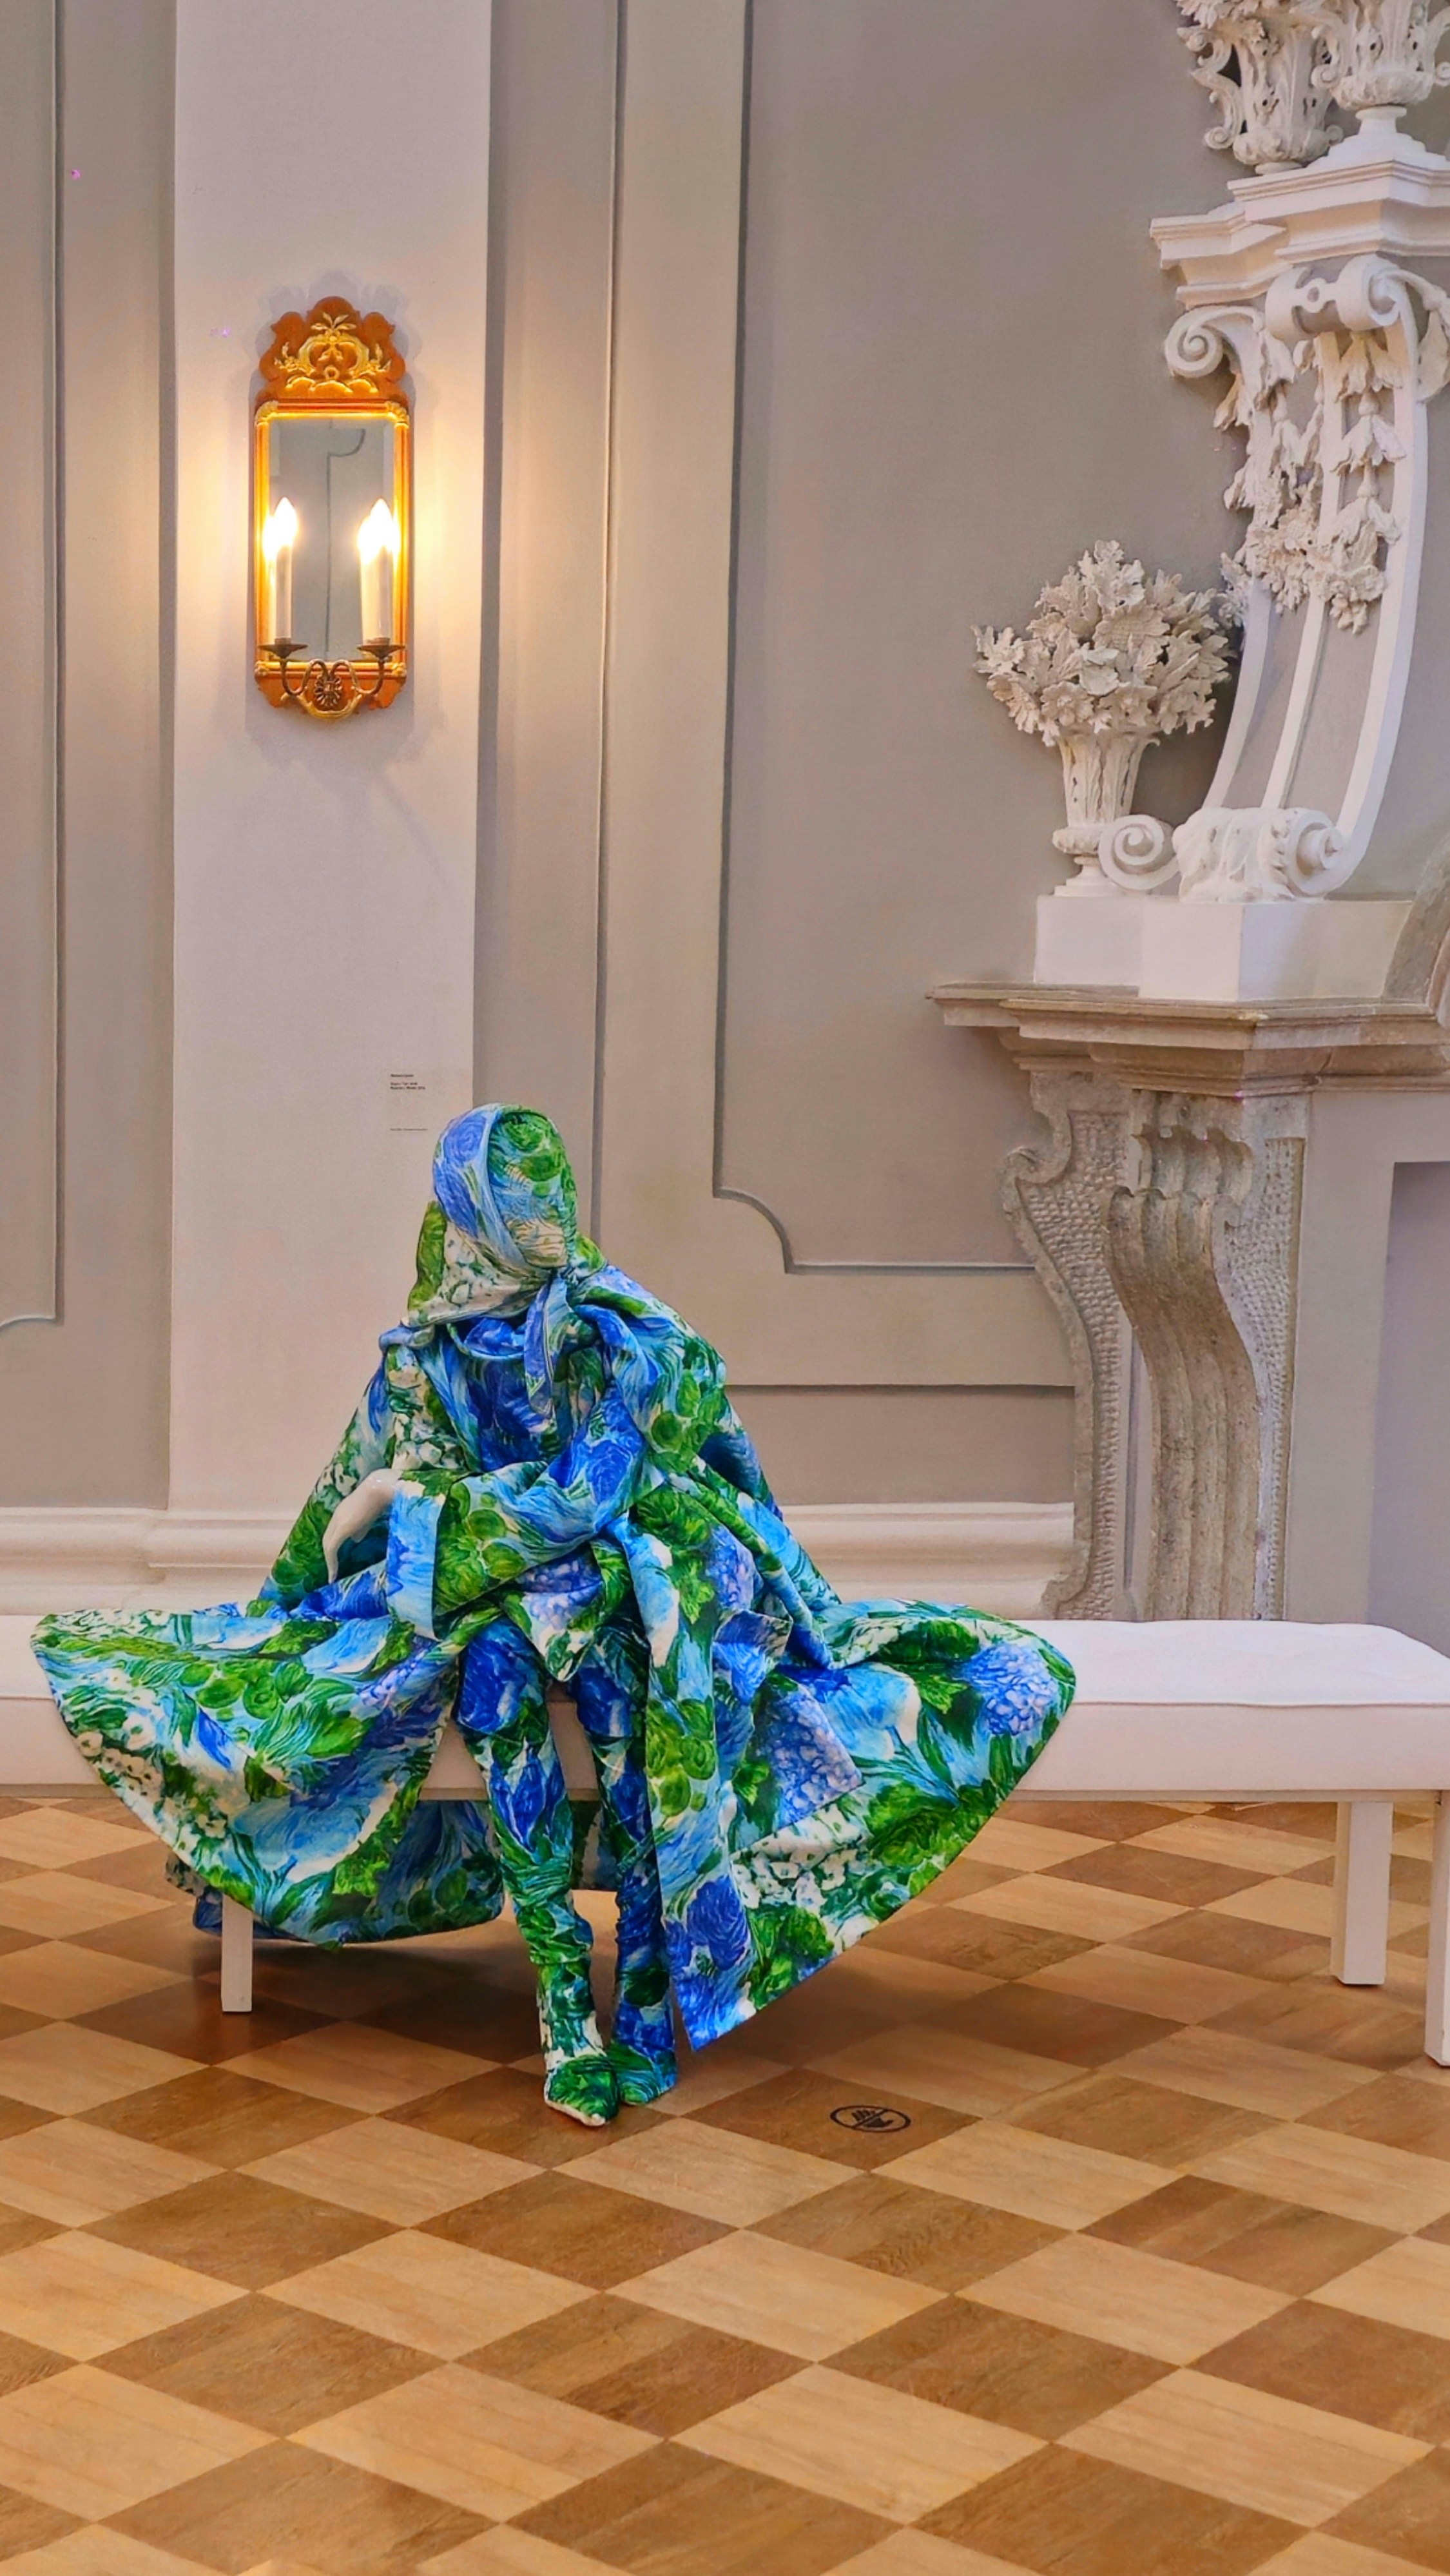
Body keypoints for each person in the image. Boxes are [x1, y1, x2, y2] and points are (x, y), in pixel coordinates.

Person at [33, 1107, 1074, 2126]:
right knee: (495, 1660)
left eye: (540, 1203)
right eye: (515, 1207)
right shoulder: (431, 1342)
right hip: (497, 1577)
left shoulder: (625, 1335)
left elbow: (589, 1494)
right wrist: (330, 1560)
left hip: (637, 1555)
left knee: (617, 1662)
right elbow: (375, 1484)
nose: (537, 1226)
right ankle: (563, 1990)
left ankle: (643, 1987)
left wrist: (405, 1506)